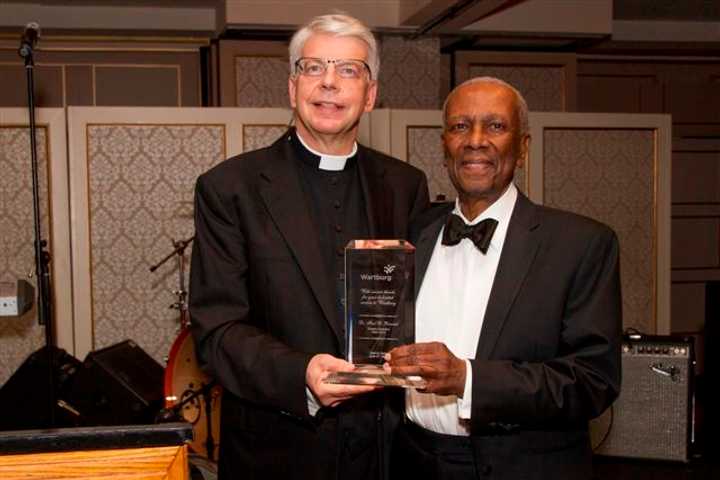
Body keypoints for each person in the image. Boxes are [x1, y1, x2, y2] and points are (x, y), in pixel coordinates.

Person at [188, 13, 430, 480]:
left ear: (371, 95)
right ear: (292, 87)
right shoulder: (230, 188)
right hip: (279, 448)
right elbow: (217, 331)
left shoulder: (405, 186)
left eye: (348, 70)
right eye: (314, 67)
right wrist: (301, 372)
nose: (330, 84)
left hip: (383, 451)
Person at [385, 77, 622, 479]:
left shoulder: (580, 244)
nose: (475, 140)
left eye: (495, 126)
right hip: (412, 461)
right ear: (445, 146)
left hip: (521, 466)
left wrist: (468, 379)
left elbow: (592, 380)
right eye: (461, 126)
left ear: (523, 147)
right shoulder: (410, 235)